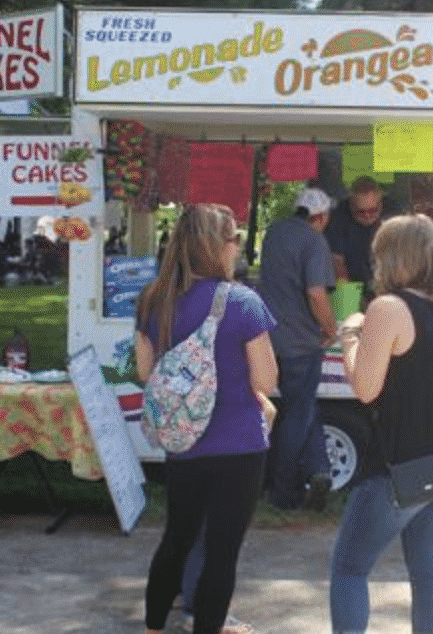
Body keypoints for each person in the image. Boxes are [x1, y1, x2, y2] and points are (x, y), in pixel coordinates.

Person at [135, 203, 278, 634]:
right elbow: (267, 380)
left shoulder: (155, 299)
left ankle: (153, 629)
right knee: (221, 553)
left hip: (184, 443)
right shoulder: (243, 303)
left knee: (176, 540)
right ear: (220, 247)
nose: (237, 249)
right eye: (234, 240)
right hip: (240, 445)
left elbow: (147, 373)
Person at [330, 214, 433, 634]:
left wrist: (350, 339)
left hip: (396, 468)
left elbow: (367, 390)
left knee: (350, 569)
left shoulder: (388, 308)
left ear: (389, 258)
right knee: (427, 570)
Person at [258, 187, 338, 511]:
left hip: (268, 337)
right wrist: (331, 328)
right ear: (318, 217)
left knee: (303, 409)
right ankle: (285, 492)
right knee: (296, 413)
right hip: (301, 342)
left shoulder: (274, 233)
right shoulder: (314, 240)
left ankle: (319, 469)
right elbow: (317, 293)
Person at [324, 175, 403, 288]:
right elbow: (337, 261)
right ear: (351, 205)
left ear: (381, 204)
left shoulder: (394, 214)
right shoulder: (338, 216)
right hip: (353, 280)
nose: (367, 216)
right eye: (360, 212)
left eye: (372, 210)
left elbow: (403, 257)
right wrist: (348, 296)